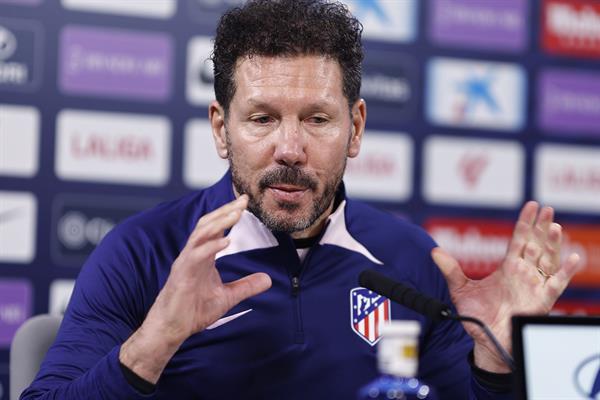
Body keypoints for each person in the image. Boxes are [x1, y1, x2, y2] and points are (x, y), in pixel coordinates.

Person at [22, 1, 581, 399]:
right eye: (262, 119)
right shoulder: (143, 252)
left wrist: (492, 362)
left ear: (355, 128)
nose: (289, 149)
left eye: (317, 119)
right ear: (220, 129)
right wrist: (155, 340)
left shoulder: (412, 260)